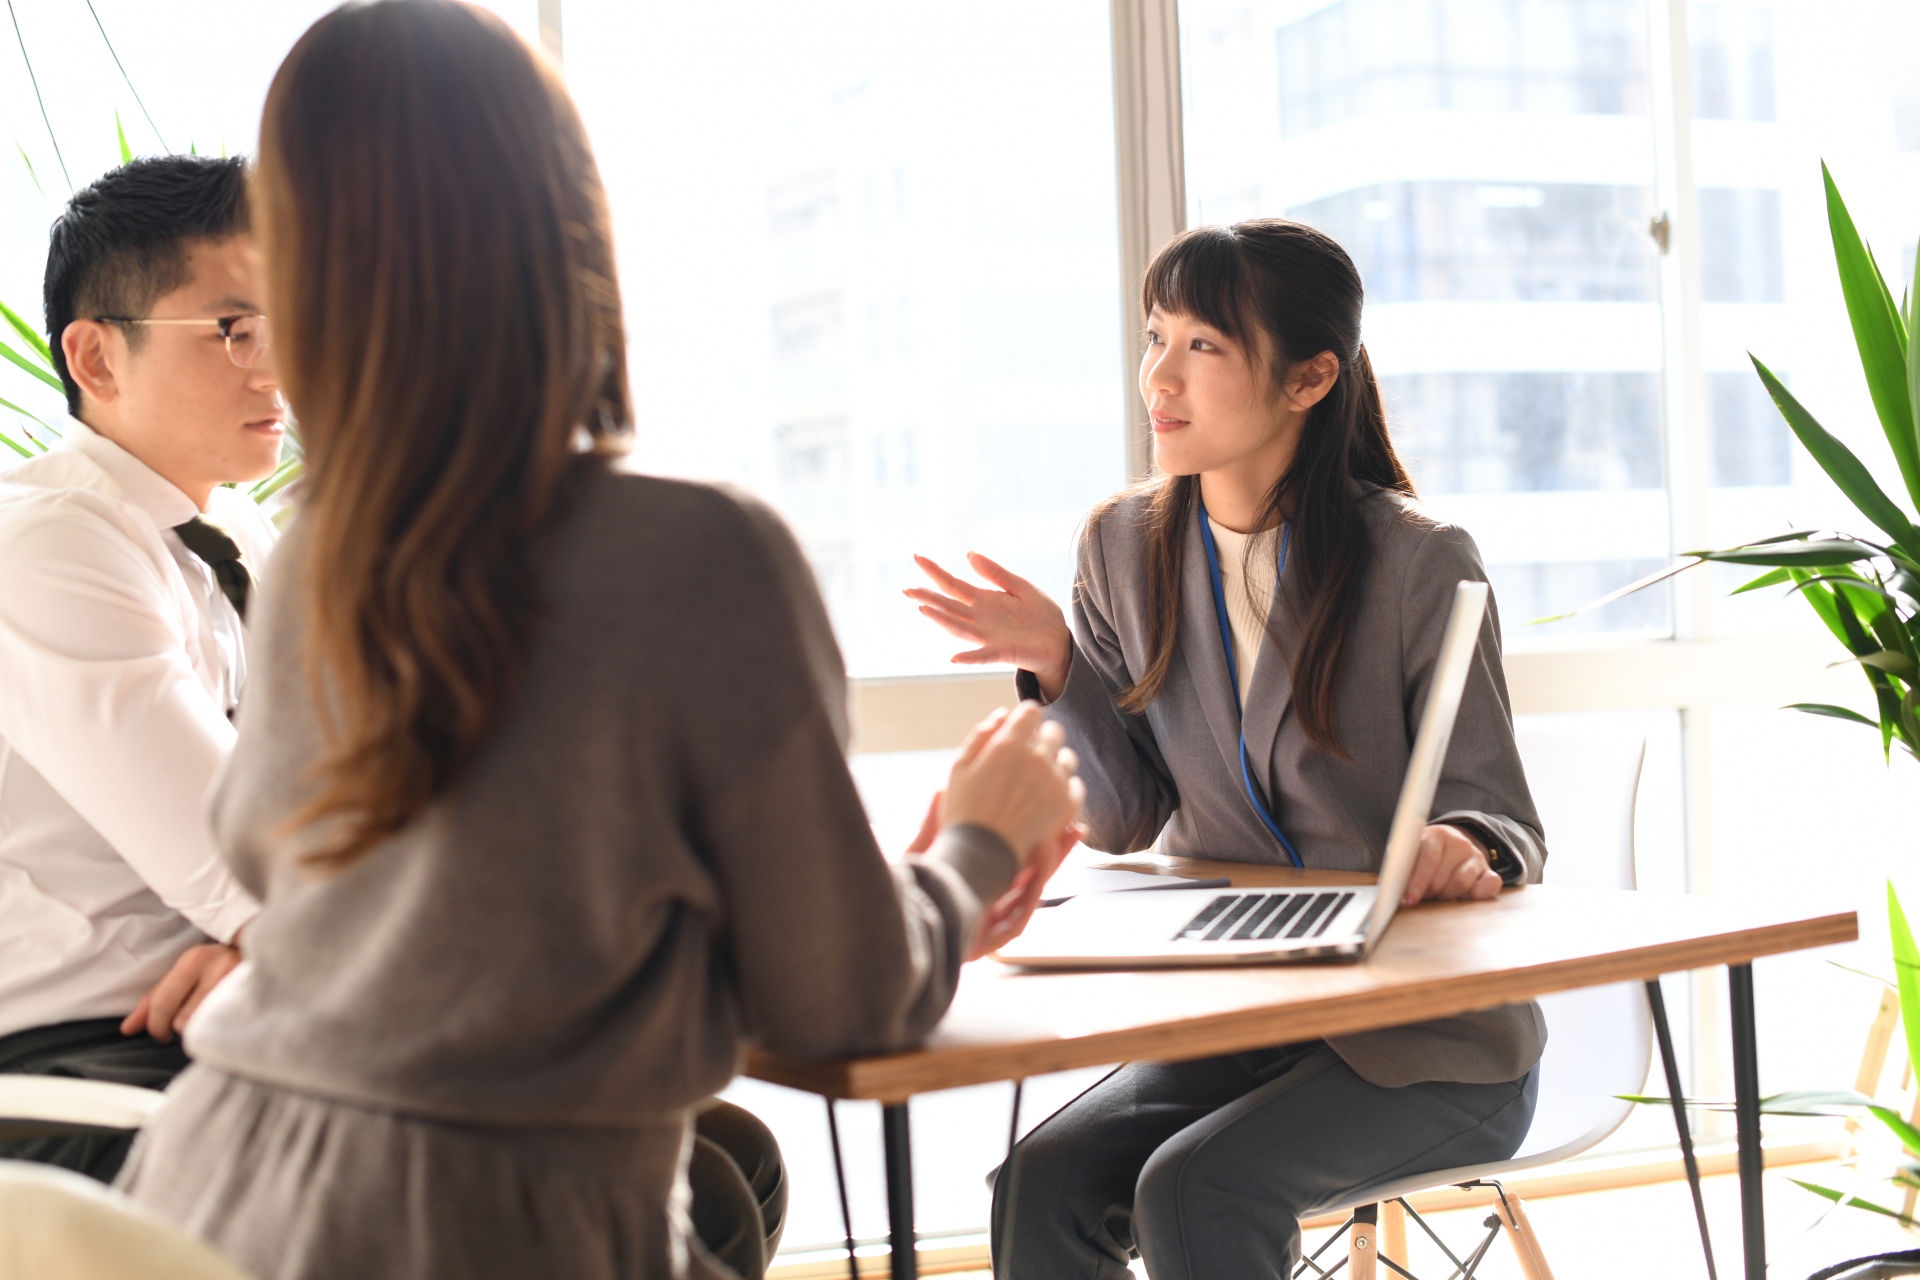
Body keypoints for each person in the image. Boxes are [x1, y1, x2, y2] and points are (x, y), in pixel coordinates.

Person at [116, 5, 1084, 1280]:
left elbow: (346, 870)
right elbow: (844, 997)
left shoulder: (316, 555)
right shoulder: (694, 550)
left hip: (204, 1193)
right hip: (489, 1228)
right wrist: (981, 844)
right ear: (567, 223)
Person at [908, 219, 1548, 1279]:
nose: (1159, 373)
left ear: (1309, 378)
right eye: (1157, 335)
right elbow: (1123, 814)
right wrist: (1060, 664)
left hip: (1428, 1040)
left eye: (1203, 345)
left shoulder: (1415, 564)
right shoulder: (1121, 545)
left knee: (1196, 1187)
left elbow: (1498, 808)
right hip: (1244, 1010)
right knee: (1038, 1182)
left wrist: (1461, 841)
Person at [0, 155, 282, 1182]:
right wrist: (270, 926)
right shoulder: (51, 545)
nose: (279, 363)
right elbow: (249, 863)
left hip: (234, 1028)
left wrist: (262, 944)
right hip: (71, 1071)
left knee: (711, 1155)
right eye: (235, 328)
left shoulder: (236, 534)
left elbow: (381, 793)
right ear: (95, 356)